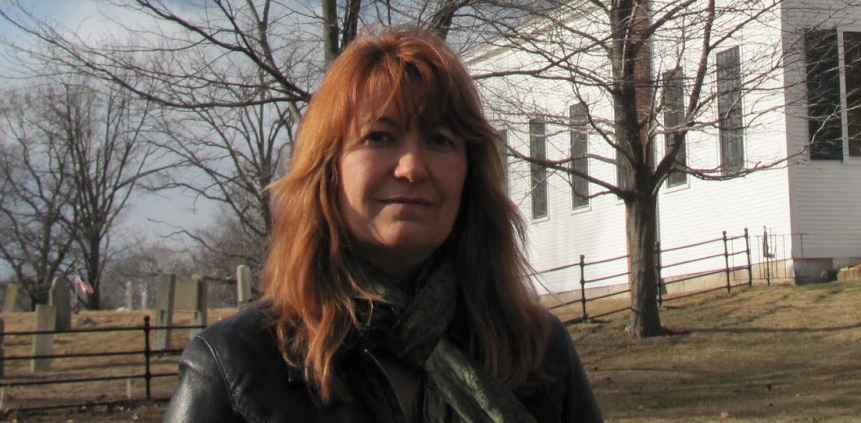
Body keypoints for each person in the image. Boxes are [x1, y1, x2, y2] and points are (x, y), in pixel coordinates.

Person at [164, 27, 605, 423]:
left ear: (471, 174)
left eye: (440, 140)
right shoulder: (235, 367)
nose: (412, 167)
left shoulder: (540, 355)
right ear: (328, 171)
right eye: (379, 137)